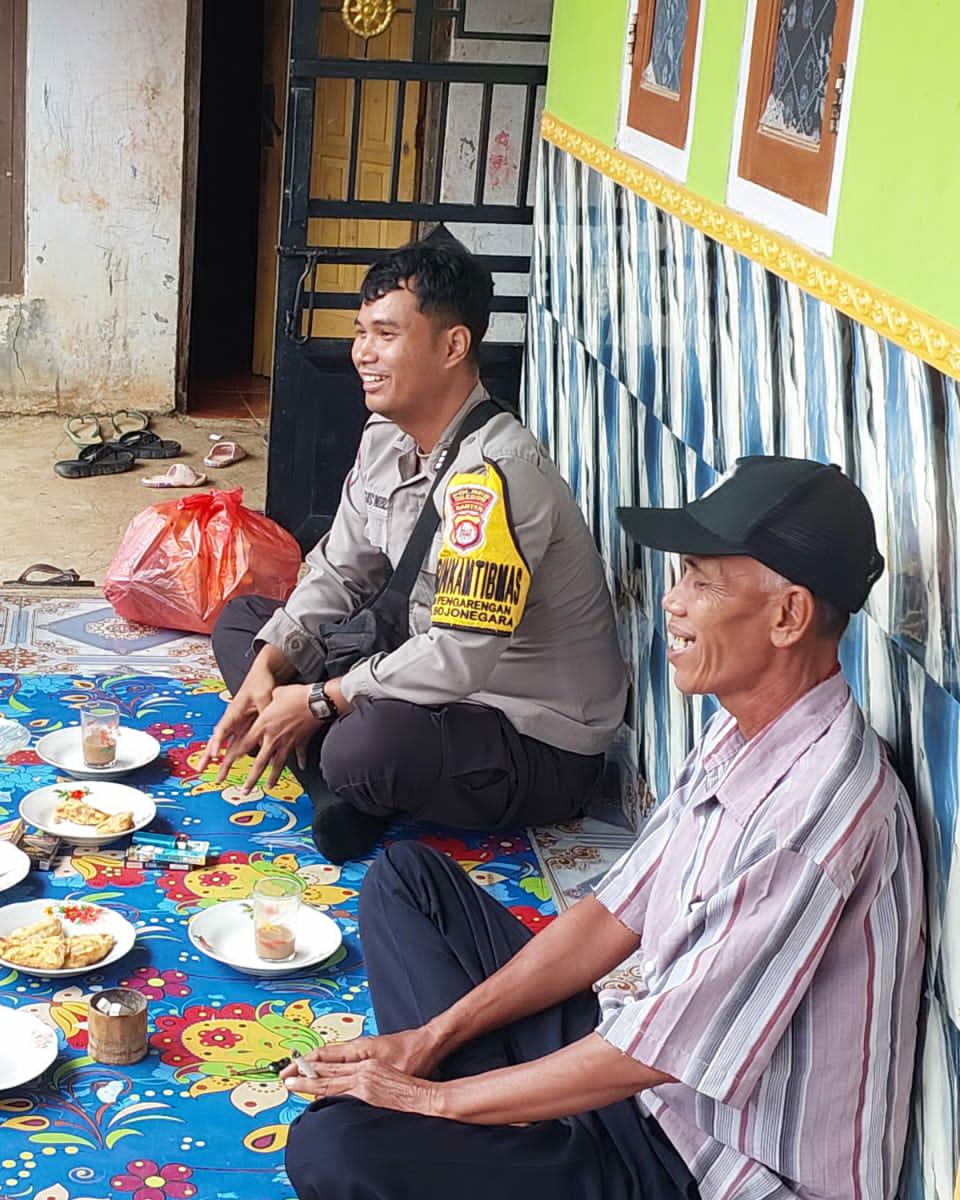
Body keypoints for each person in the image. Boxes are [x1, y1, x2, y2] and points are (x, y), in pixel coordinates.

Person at [279, 455, 925, 1200]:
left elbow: (652, 1054)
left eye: (702, 581)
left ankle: (491, 1135)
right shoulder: (744, 728)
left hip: (699, 1168)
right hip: (635, 1087)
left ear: (789, 616)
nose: (672, 603)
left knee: (335, 1148)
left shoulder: (817, 817)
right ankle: (502, 1134)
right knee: (407, 883)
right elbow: (614, 914)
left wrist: (432, 1099)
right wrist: (428, 1041)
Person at [200, 236, 626, 863]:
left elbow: (458, 657)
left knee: (365, 746)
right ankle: (339, 788)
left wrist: (320, 698)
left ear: (453, 346)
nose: (363, 353)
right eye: (360, 332)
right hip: (430, 682)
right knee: (246, 626)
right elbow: (340, 570)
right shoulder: (385, 435)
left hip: (525, 732)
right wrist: (273, 662)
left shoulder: (498, 475)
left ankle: (338, 774)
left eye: (386, 334)